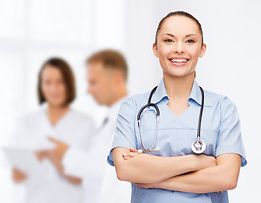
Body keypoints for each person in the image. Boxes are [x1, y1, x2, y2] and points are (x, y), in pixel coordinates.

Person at [108, 11, 247, 203]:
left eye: (190, 41)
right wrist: (197, 161)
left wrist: (153, 178)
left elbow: (227, 178)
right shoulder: (133, 107)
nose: (179, 49)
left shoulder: (223, 108)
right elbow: (125, 170)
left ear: (202, 49)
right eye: (169, 40)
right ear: (155, 49)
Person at [46, 50, 131, 203]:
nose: (88, 90)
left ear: (117, 80)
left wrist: (67, 154)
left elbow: (115, 174)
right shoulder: (108, 119)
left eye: (93, 82)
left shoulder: (129, 119)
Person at [12, 57, 95, 203]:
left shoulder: (85, 123)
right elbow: (17, 177)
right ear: (41, 86)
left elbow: (79, 177)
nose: (53, 89)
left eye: (60, 82)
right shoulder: (26, 122)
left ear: (68, 85)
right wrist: (31, 162)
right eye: (48, 82)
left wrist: (49, 154)